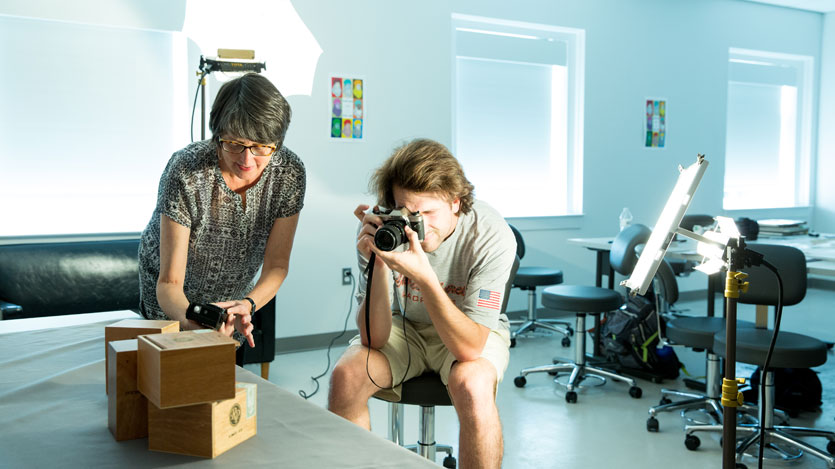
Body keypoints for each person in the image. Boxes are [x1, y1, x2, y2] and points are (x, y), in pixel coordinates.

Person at [328, 139, 516, 468]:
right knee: (347, 375)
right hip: (405, 328)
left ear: (456, 202)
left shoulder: (491, 234)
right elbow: (375, 339)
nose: (419, 226)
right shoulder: (386, 227)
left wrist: (426, 278)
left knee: (472, 383)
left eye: (429, 212)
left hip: (468, 330)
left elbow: (470, 348)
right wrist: (379, 264)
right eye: (409, 212)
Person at [138, 73, 305, 348]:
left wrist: (248, 304)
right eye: (235, 144)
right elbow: (169, 283)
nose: (247, 159)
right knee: (169, 377)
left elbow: (276, 266)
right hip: (172, 300)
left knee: (221, 378)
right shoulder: (187, 171)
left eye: (262, 146)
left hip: (231, 300)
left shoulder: (289, 173)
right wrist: (193, 323)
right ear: (217, 137)